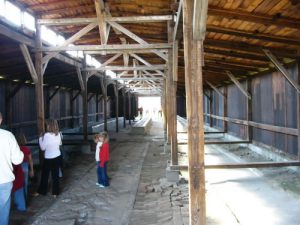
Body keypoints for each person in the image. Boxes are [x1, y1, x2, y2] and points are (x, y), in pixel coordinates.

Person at [0, 112, 24, 225]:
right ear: (0, 120)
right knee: (3, 212)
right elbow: (18, 160)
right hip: (4, 180)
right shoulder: (8, 136)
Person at [35, 119, 62, 198]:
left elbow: (42, 148)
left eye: (47, 125)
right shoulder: (59, 134)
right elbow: (60, 143)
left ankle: (42, 191)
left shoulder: (46, 135)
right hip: (57, 156)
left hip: (49, 158)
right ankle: (55, 193)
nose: (46, 126)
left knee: (45, 175)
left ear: (49, 126)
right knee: (55, 175)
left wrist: (40, 138)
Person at [16, 132, 34, 198]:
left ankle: (19, 200)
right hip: (25, 167)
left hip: (17, 167)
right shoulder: (26, 149)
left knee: (18, 185)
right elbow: (30, 160)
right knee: (25, 184)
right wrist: (32, 170)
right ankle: (25, 198)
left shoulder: (15, 149)